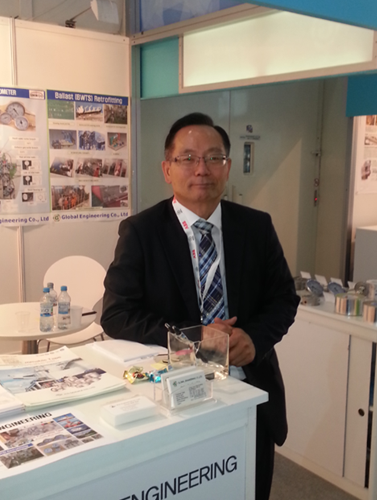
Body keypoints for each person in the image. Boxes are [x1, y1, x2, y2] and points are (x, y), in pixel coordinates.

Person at [101, 112, 299, 500]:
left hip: (249, 390)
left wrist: (254, 339)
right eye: (188, 158)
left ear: (227, 166)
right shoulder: (142, 231)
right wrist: (192, 337)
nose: (202, 169)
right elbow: (116, 313)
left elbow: (283, 298)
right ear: (167, 169)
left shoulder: (256, 226)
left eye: (213, 158)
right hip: (173, 393)